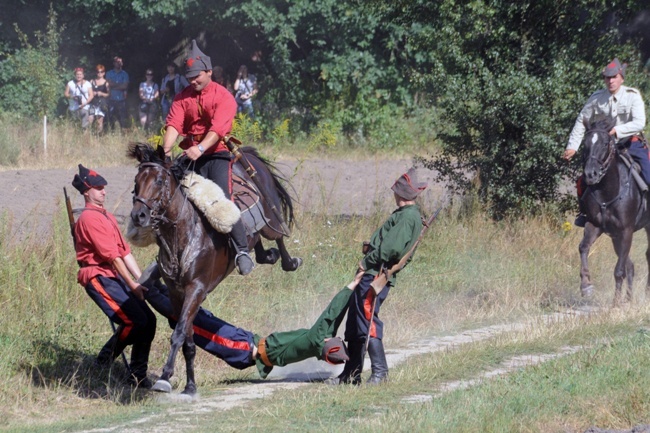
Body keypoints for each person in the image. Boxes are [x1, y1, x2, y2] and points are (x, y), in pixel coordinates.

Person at [140, 262, 359, 377]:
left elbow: (331, 311)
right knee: (198, 313)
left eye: (334, 341)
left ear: (326, 345)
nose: (333, 337)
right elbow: (335, 318)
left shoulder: (315, 340)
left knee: (189, 322)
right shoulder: (319, 342)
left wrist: (353, 283)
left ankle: (147, 290)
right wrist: (354, 287)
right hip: (246, 339)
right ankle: (157, 285)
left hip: (242, 348)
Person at [162, 39, 255, 276]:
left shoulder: (224, 96)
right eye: (190, 76)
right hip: (191, 153)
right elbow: (173, 124)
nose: (193, 80)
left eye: (197, 76)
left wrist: (201, 149)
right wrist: (165, 150)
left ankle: (242, 250)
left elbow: (218, 129)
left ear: (209, 72)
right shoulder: (182, 97)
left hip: (216, 154)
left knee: (222, 198)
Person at [332, 168, 428, 386]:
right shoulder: (405, 215)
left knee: (367, 322)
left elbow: (391, 249)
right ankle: (350, 375)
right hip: (372, 273)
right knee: (357, 324)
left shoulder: (408, 217)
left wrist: (366, 262)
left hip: (376, 275)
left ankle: (380, 373)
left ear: (400, 193)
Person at [72, 165, 156, 388]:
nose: (103, 191)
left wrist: (141, 279)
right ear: (86, 192)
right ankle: (102, 362)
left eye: (103, 187)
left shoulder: (107, 216)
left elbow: (124, 251)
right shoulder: (89, 219)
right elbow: (112, 257)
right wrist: (133, 285)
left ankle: (137, 376)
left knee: (149, 321)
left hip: (114, 275)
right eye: (98, 188)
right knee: (134, 321)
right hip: (98, 276)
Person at [563, 58, 648, 227]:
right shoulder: (596, 98)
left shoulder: (633, 95)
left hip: (631, 143)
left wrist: (618, 130)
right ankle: (584, 213)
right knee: (584, 178)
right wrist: (572, 146)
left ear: (621, 78)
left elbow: (640, 122)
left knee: (648, 172)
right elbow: (582, 120)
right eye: (607, 78)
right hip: (605, 147)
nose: (610, 81)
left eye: (614, 77)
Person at [106, 56, 130, 130]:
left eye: (120, 62)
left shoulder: (125, 74)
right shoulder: (109, 73)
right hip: (111, 98)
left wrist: (113, 86)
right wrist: (120, 85)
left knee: (122, 117)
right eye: (117, 62)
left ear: (122, 63)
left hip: (121, 99)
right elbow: (109, 84)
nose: (118, 63)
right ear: (114, 63)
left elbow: (125, 86)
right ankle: (111, 132)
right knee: (110, 117)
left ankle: (123, 132)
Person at [89, 64, 110, 135]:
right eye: (98, 72)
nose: (99, 73)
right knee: (90, 119)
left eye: (101, 72)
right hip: (92, 104)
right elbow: (87, 91)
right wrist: (92, 93)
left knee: (99, 121)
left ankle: (99, 136)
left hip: (101, 104)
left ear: (104, 73)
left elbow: (109, 94)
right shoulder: (91, 81)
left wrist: (101, 93)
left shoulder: (106, 83)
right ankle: (88, 135)